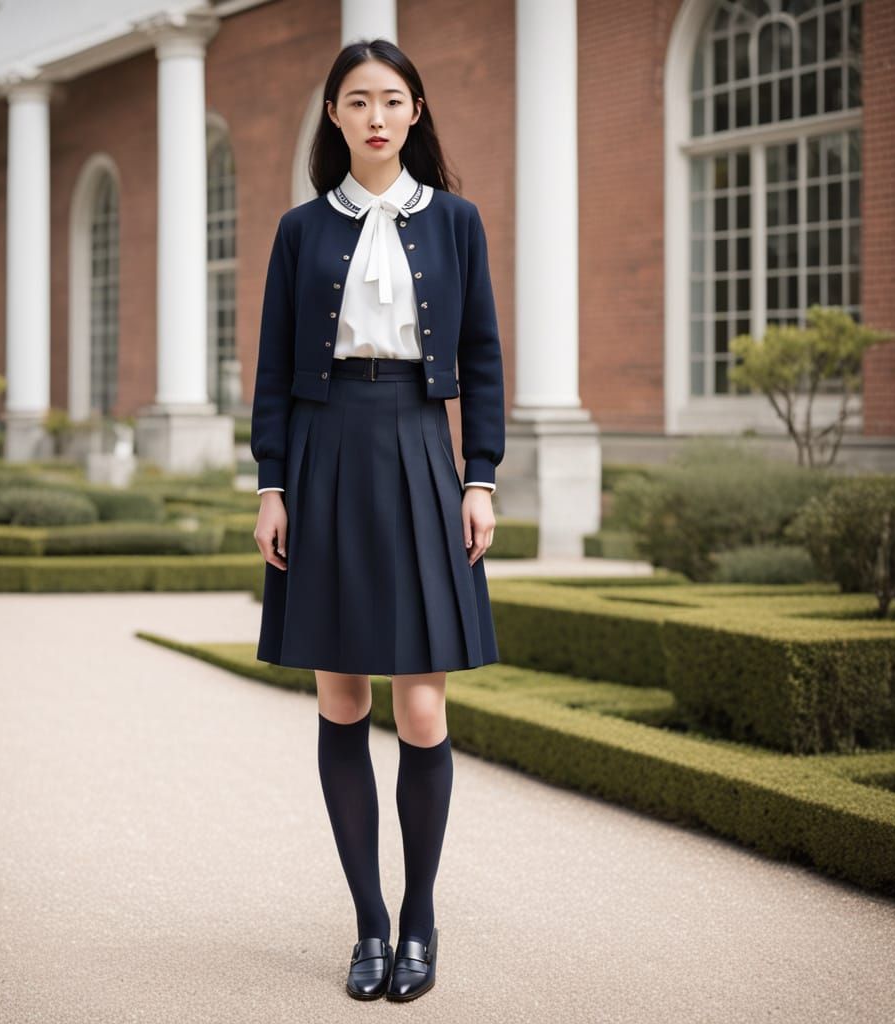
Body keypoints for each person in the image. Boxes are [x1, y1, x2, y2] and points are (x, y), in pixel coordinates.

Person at [251, 37, 505, 1002]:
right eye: (356, 101)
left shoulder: (457, 223)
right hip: (323, 456)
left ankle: (420, 919)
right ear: (336, 116)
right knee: (342, 699)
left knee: (422, 704)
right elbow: (274, 370)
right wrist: (271, 484)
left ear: (416, 111)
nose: (374, 116)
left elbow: (479, 358)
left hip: (416, 448)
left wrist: (478, 477)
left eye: (391, 99)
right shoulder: (298, 230)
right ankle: (365, 924)